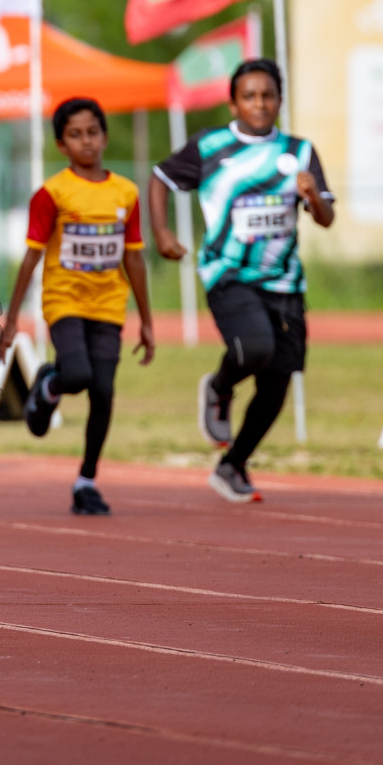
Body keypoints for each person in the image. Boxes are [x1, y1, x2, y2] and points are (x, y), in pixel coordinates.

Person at [147, 57, 334, 503]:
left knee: (277, 383)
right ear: (233, 103)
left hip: (284, 282)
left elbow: (326, 218)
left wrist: (311, 197)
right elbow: (159, 179)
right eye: (249, 96)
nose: (260, 103)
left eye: (268, 96)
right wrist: (162, 232)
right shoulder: (211, 147)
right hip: (228, 272)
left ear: (280, 101)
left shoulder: (300, 153)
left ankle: (233, 464)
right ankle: (220, 386)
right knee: (255, 348)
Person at [0, 98, 154, 515]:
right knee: (79, 374)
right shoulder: (52, 193)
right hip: (64, 299)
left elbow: (134, 257)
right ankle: (49, 384)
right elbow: (31, 256)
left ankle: (86, 480)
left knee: (103, 391)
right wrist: (11, 319)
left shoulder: (126, 192)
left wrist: (148, 321)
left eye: (92, 132)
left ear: (104, 136)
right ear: (61, 144)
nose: (86, 141)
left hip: (108, 303)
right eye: (75, 134)